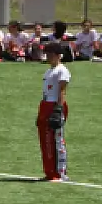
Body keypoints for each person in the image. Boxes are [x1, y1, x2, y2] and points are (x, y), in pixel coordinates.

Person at [37, 43, 71, 182]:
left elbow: (62, 91)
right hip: (45, 105)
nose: (49, 57)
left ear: (58, 55)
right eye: (47, 54)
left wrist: (58, 109)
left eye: (51, 55)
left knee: (56, 140)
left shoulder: (62, 70)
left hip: (54, 105)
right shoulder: (48, 71)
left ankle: (60, 172)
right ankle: (49, 171)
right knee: (45, 141)